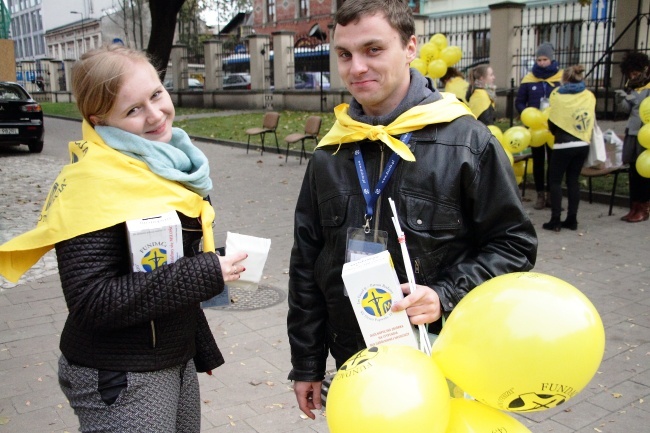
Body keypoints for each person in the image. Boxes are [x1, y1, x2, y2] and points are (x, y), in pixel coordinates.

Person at [287, 0, 538, 420]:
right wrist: (308, 362)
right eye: (345, 55)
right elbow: (306, 264)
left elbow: (514, 245)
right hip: (356, 363)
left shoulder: (468, 141)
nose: (356, 67)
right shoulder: (331, 151)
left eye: (373, 49)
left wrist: (445, 294)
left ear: (410, 48)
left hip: (443, 358)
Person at [0, 45, 247, 432]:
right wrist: (202, 271)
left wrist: (198, 344)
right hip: (120, 372)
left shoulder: (164, 161)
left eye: (156, 94)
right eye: (132, 110)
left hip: (170, 359)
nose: (155, 114)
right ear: (99, 120)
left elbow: (162, 266)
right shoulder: (92, 183)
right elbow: (91, 300)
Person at [543, 65, 596, 232]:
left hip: (563, 145)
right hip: (582, 143)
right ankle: (572, 220)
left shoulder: (557, 96)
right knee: (573, 180)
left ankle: (555, 220)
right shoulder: (589, 96)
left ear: (564, 79)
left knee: (555, 181)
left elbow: (552, 120)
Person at [516, 42, 563, 210]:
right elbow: (520, 102)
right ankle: (540, 195)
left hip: (553, 127)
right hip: (535, 127)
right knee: (538, 161)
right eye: (539, 59)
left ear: (552, 59)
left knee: (553, 161)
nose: (542, 63)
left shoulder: (559, 78)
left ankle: (552, 194)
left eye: (545, 59)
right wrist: (528, 113)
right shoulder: (529, 79)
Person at [615, 51, 650, 223]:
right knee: (633, 172)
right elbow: (627, 110)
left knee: (643, 174)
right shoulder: (633, 87)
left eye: (636, 73)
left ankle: (643, 208)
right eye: (631, 74)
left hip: (645, 136)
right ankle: (634, 207)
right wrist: (621, 99)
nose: (633, 76)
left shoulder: (648, 88)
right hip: (632, 133)